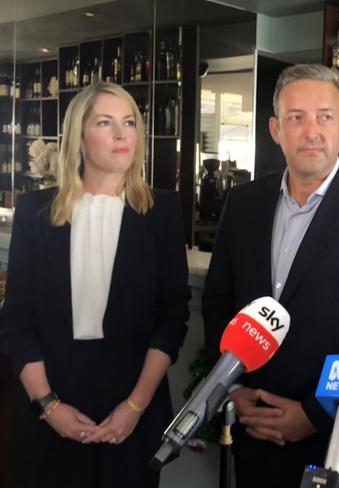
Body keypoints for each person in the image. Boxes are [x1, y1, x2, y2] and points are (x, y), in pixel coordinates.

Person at [202, 64, 339, 487]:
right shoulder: (244, 202)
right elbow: (219, 301)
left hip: (327, 437)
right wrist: (233, 389)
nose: (312, 131)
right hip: (252, 423)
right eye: (296, 118)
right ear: (275, 129)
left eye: (325, 117)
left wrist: (315, 413)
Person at [2, 82, 190, 488]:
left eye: (129, 123)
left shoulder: (162, 213)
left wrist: (134, 407)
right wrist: (49, 406)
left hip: (133, 400)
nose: (122, 134)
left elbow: (172, 319)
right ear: (79, 137)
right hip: (50, 394)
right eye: (105, 123)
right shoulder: (36, 212)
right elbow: (17, 320)